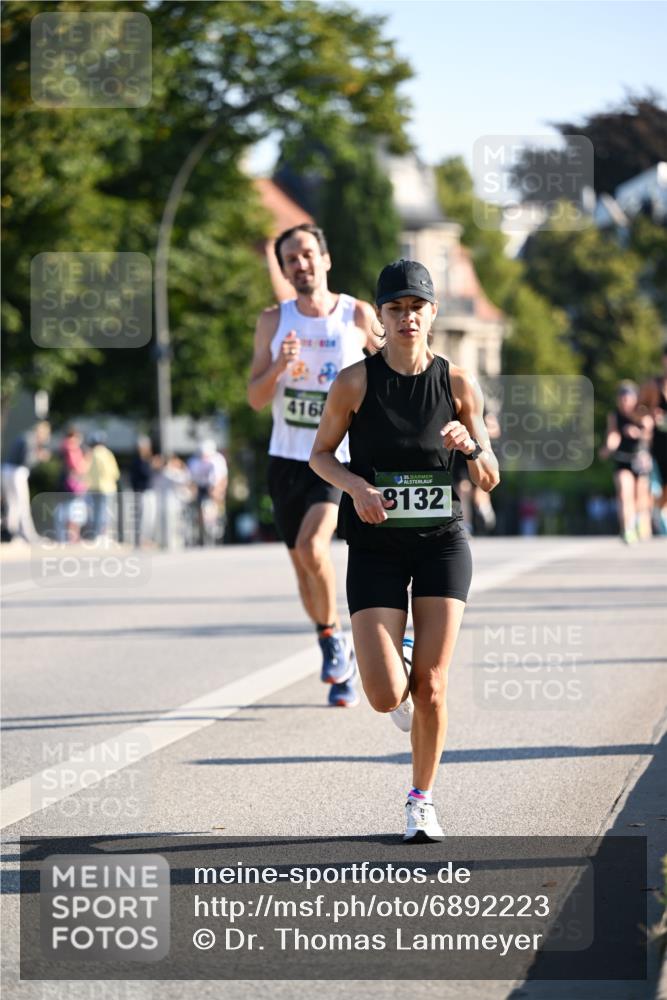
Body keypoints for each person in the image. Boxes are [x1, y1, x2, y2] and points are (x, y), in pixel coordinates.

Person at [310, 259, 499, 840]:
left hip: (441, 544)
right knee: (385, 694)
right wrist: (356, 487)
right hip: (375, 547)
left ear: (432, 313)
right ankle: (401, 652)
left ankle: (421, 800)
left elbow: (490, 476)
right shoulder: (354, 383)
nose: (407, 317)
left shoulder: (458, 384)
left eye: (417, 307)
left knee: (433, 685)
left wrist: (471, 447)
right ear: (382, 315)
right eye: (396, 308)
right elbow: (320, 456)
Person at [247, 223, 379, 708]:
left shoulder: (356, 314)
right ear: (284, 271)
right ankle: (333, 642)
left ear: (325, 259)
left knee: (312, 546)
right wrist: (279, 367)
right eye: (290, 260)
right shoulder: (273, 321)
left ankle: (333, 644)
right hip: (286, 459)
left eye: (306, 254)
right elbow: (255, 397)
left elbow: (390, 373)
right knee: (302, 566)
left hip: (335, 458)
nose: (300, 264)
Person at [600, 381, 652, 543]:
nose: (624, 403)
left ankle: (640, 523)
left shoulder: (642, 413)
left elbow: (649, 436)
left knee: (640, 497)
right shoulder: (614, 415)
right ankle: (627, 528)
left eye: (627, 399)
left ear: (634, 398)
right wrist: (609, 447)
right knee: (624, 493)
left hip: (640, 460)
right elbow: (613, 434)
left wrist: (639, 432)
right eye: (621, 399)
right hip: (622, 459)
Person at [1, 421, 50, 542]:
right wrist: (39, 457)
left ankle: (11, 534)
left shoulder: (25, 437)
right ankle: (27, 535)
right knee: (22, 505)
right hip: (17, 472)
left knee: (13, 504)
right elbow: (26, 461)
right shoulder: (30, 440)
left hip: (7, 470)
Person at [639, 345, 667, 534]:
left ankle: (659, 512)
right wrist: (650, 415)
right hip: (655, 444)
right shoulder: (653, 385)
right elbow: (638, 409)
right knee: (656, 483)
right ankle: (652, 516)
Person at [187, 440, 228, 545]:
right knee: (197, 504)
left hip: (214, 484)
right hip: (200, 485)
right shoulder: (194, 461)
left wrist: (218, 491)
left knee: (217, 497)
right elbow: (190, 480)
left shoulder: (218, 459)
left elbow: (223, 478)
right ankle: (201, 527)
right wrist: (192, 491)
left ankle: (219, 517)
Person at [86, 432, 121, 539]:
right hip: (107, 487)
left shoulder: (90, 454)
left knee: (96, 511)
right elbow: (115, 473)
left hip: (93, 487)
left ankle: (95, 534)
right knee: (105, 511)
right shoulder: (107, 453)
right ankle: (103, 534)